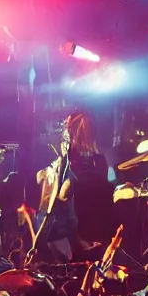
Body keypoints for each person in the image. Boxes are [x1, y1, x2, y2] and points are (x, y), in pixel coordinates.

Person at [32, 111, 106, 262]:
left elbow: (63, 197)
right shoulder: (97, 160)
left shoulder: (71, 162)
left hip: (71, 234)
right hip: (87, 232)